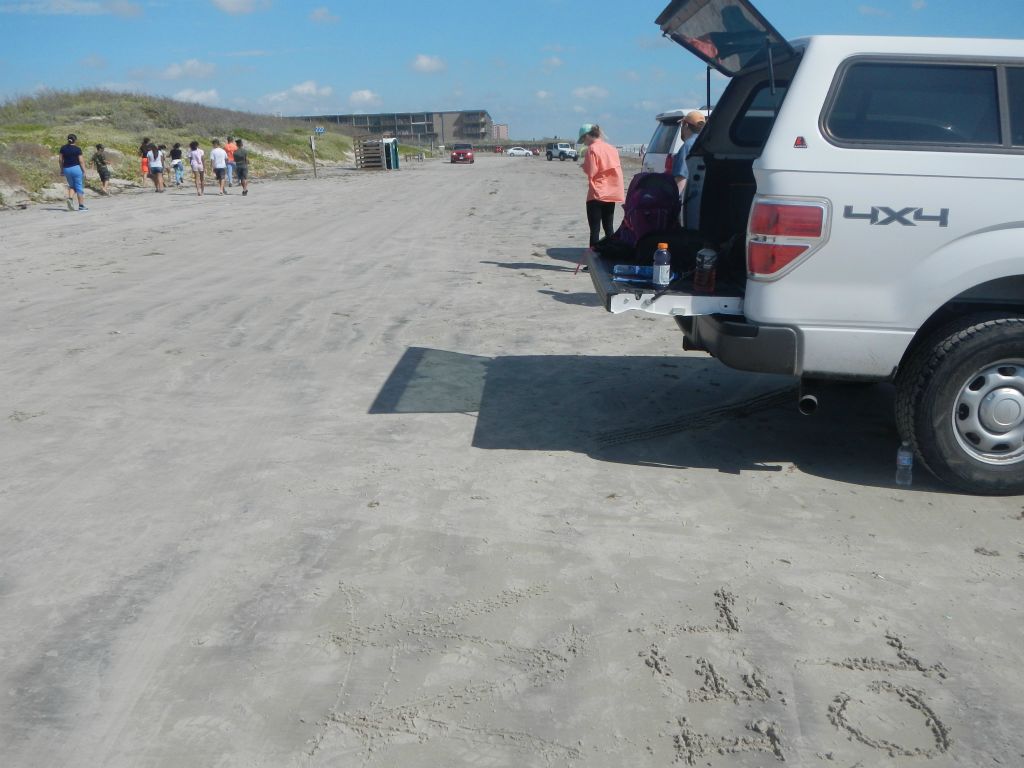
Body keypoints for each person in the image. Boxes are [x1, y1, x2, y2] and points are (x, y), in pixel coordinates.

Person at [578, 123, 624, 251]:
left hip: (597, 194)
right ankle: (612, 256)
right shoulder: (612, 148)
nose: (584, 143)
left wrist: (584, 167)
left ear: (587, 136)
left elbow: (592, 171)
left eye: (583, 139)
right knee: (609, 228)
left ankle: (593, 260)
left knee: (595, 230)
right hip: (612, 193)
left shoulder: (592, 149)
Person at [672, 110, 706, 199]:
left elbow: (681, 179)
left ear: (686, 125)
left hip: (691, 200)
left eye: (682, 126)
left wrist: (676, 202)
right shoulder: (707, 143)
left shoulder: (687, 146)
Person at [59, 133, 88, 211]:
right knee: (79, 187)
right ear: (75, 140)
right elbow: (81, 161)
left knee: (72, 186)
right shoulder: (77, 149)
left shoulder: (63, 148)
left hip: (66, 169)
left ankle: (70, 199)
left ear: (68, 140)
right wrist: (84, 171)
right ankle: (81, 206)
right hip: (76, 169)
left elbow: (60, 160)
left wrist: (62, 170)